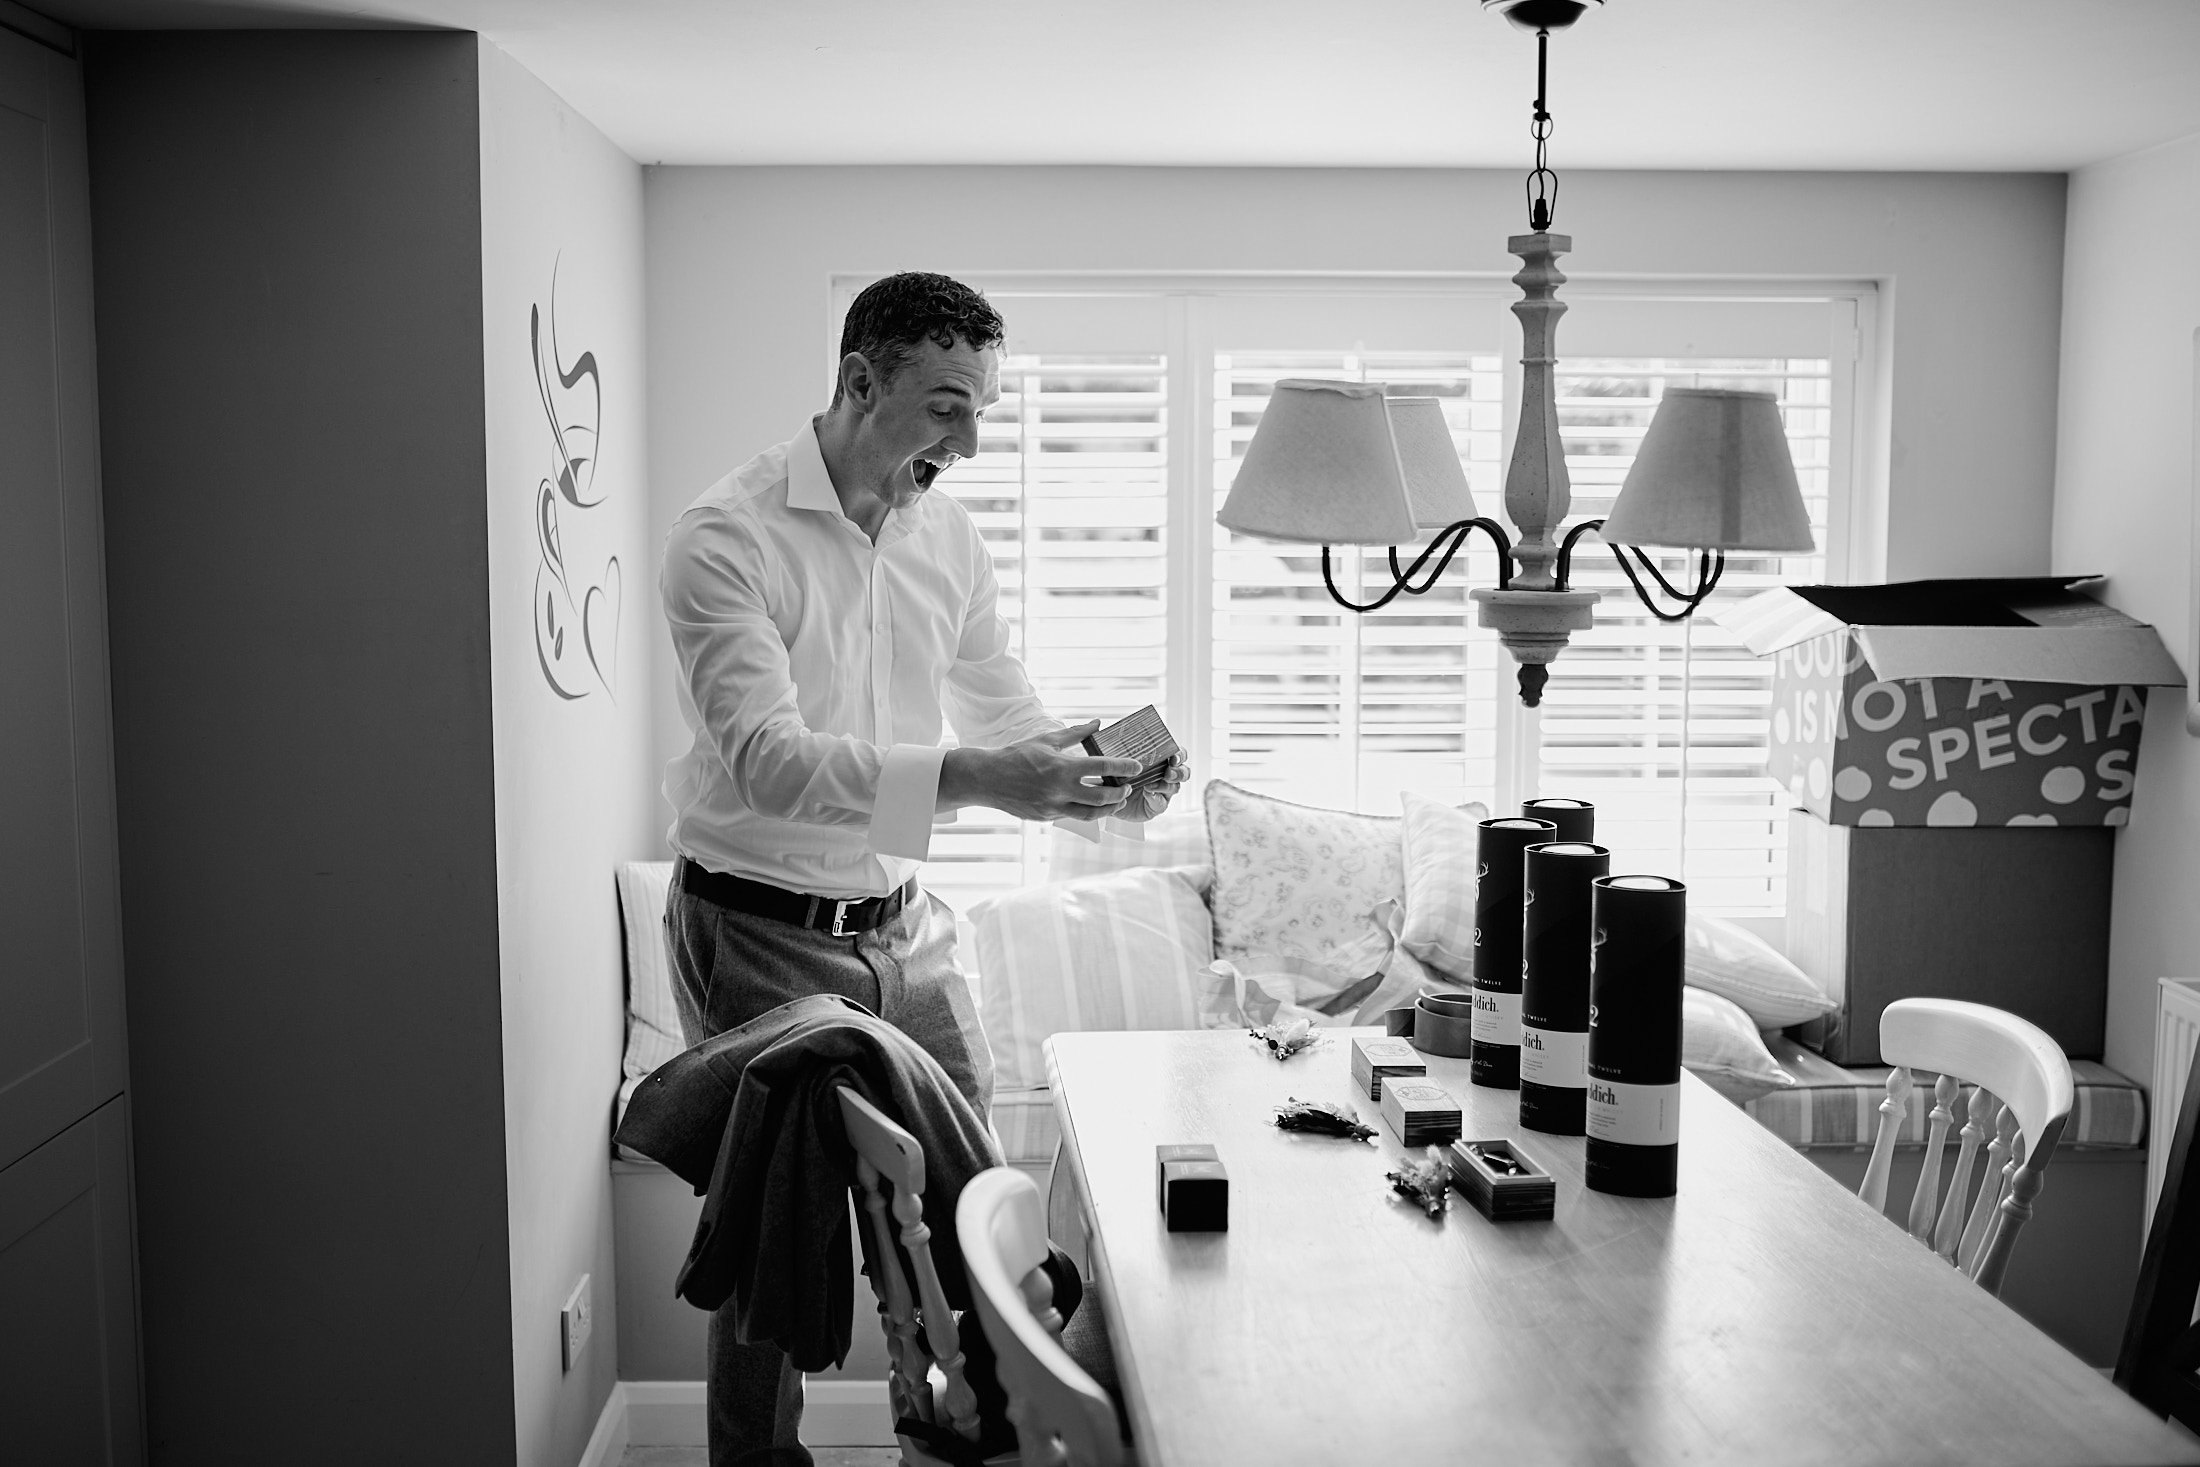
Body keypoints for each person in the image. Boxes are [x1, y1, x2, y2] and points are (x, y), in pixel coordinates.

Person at [659, 270, 1186, 1466]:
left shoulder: (947, 533)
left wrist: (1098, 770)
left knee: (974, 1197)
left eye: (985, 407)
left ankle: (954, 1444)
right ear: (859, 381)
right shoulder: (725, 536)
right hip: (753, 924)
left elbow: (1002, 703)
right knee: (765, 1230)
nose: (974, 438)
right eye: (949, 406)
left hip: (908, 926)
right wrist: (986, 777)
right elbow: (768, 761)